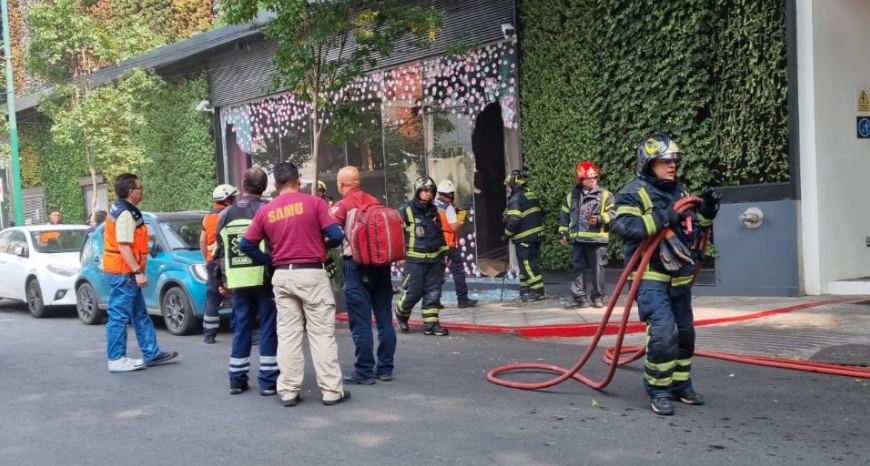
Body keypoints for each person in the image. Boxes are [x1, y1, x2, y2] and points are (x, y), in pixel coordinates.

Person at [611, 133, 720, 416]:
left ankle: (680, 385)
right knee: (663, 332)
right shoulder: (633, 193)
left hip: (680, 278)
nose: (672, 165)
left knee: (685, 333)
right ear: (648, 164)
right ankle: (658, 390)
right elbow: (625, 226)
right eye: (664, 161)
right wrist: (662, 217)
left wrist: (707, 212)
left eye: (674, 160)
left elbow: (692, 229)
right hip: (650, 277)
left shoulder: (680, 194)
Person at [238, 162, 349, 407]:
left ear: (275, 185)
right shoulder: (315, 203)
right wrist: (323, 246)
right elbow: (338, 235)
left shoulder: (266, 211)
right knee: (321, 335)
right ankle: (331, 391)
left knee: (288, 335)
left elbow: (245, 245)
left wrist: (270, 259)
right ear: (298, 180)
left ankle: (288, 391)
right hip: (312, 273)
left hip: (282, 276)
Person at [103, 173, 178, 373]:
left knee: (138, 313)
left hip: (123, 270)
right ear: (131, 192)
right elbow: (125, 247)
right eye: (140, 187)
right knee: (119, 316)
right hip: (124, 272)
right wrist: (137, 272)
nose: (142, 190)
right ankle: (116, 359)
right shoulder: (125, 214)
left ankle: (151, 353)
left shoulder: (123, 209)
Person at [213, 168, 279, 396]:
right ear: (264, 187)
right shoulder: (268, 210)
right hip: (265, 276)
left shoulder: (226, 214)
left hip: (238, 280)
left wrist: (221, 280)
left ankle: (237, 379)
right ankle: (269, 381)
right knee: (269, 326)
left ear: (243, 186)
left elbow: (218, 251)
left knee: (242, 327)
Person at [330, 166, 396, 384]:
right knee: (385, 317)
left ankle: (364, 371)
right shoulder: (374, 200)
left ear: (341, 184)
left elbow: (330, 234)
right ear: (358, 182)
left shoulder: (342, 206)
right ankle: (385, 368)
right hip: (381, 266)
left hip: (357, 267)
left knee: (361, 321)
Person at [395, 176, 450, 336]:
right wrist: (399, 255)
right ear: (418, 191)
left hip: (434, 259)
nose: (429, 194)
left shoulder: (435, 211)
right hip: (413, 260)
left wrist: (445, 252)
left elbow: (440, 234)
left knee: (434, 292)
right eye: (425, 191)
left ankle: (431, 324)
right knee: (414, 291)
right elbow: (398, 233)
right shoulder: (406, 209)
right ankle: (401, 314)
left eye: (431, 191)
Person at [559, 161, 616, 309]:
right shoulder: (571, 197)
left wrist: (599, 219)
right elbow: (564, 216)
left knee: (598, 270)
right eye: (588, 177)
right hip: (578, 240)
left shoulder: (605, 195)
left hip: (597, 240)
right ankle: (580, 300)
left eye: (595, 177)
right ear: (580, 180)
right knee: (577, 270)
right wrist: (563, 232)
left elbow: (614, 213)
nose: (593, 180)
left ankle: (597, 298)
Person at [200, 184, 238, 344]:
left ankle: (209, 335)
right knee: (237, 296)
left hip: (212, 261)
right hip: (228, 261)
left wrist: (207, 259)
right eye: (233, 197)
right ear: (228, 200)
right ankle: (239, 331)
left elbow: (202, 241)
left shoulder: (207, 217)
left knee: (213, 299)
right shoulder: (230, 214)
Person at [434, 180, 478, 309]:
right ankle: (463, 300)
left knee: (437, 273)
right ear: (450, 194)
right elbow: (453, 227)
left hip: (437, 243)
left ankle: (434, 301)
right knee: (458, 271)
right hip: (449, 244)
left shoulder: (434, 205)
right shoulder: (448, 207)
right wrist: (462, 222)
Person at [503, 170, 545, 301]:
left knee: (527, 264)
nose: (509, 188)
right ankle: (524, 289)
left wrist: (506, 234)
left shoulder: (516, 198)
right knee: (524, 265)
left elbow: (514, 220)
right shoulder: (530, 194)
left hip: (525, 238)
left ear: (514, 184)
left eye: (509, 185)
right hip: (535, 236)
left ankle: (537, 290)